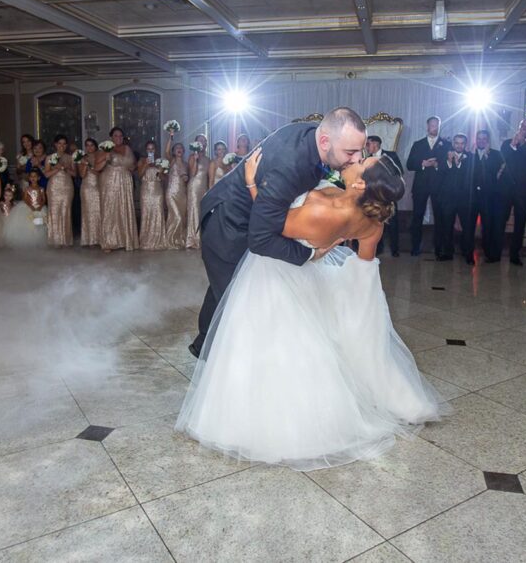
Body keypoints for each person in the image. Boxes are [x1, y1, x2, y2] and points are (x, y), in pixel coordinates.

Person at [176, 151, 441, 470]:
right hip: (311, 273)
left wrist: (250, 183)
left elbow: (269, 223)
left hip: (277, 272)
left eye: (363, 163)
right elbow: (364, 268)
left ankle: (266, 421)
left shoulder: (322, 209)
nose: (357, 160)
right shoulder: (372, 221)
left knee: (264, 341)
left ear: (359, 183)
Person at [189, 107, 367, 359]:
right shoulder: (291, 165)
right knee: (238, 301)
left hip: (246, 216)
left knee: (224, 286)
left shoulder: (313, 138)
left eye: (360, 151)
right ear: (325, 141)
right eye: (350, 152)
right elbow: (261, 239)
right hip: (227, 225)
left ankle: (203, 345)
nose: (357, 158)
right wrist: (310, 254)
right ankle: (229, 366)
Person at [406, 116, 450, 256]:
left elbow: (450, 167)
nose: (434, 127)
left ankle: (438, 247)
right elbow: (409, 164)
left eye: (437, 125)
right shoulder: (418, 144)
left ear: (440, 126)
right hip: (421, 186)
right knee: (417, 216)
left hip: (440, 187)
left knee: (440, 217)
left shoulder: (446, 144)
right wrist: (422, 164)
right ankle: (415, 247)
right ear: (427, 126)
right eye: (432, 125)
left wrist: (437, 165)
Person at [499, 118, 526, 265]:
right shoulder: (507, 143)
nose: (525, 128)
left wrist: (522, 143)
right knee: (500, 219)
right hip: (506, 188)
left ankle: (514, 253)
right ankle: (496, 250)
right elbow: (503, 157)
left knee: (520, 222)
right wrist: (513, 144)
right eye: (523, 125)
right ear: (518, 126)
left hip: (524, 190)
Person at [435, 134, 476, 264]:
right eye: (457, 143)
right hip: (448, 198)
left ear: (466, 144)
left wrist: (458, 164)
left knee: (468, 228)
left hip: (465, 199)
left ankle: (468, 254)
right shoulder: (444, 156)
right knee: (447, 227)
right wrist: (449, 162)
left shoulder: (471, 158)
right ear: (453, 143)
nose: (459, 145)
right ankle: (448, 252)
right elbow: (439, 173)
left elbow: (472, 176)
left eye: (462, 143)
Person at [98, 127, 138, 252]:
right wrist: (105, 157)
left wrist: (131, 166)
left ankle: (125, 240)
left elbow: (133, 166)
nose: (119, 138)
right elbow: (96, 167)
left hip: (125, 181)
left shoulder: (127, 149)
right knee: (110, 208)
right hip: (109, 181)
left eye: (121, 136)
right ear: (111, 137)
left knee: (124, 208)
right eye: (116, 135)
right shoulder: (105, 148)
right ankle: (109, 242)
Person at [365, 135, 404, 257]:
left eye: (368, 144)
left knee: (393, 221)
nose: (366, 147)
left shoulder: (390, 155)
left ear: (375, 144)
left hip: (388, 193)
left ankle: (395, 249)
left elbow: (399, 171)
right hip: (374, 195)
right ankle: (378, 248)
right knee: (376, 221)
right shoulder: (366, 158)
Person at [472, 130, 505, 263]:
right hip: (473, 196)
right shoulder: (470, 154)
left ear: (488, 140)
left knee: (489, 225)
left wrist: (486, 157)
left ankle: (490, 253)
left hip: (490, 196)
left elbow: (497, 173)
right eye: (479, 138)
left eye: (484, 139)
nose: (481, 141)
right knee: (469, 225)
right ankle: (467, 251)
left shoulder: (496, 154)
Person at [44, 135, 75, 248]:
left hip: (67, 186)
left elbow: (75, 174)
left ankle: (65, 239)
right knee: (54, 211)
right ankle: (54, 239)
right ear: (55, 144)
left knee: (65, 211)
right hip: (53, 187)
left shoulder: (70, 157)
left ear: (66, 145)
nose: (61, 146)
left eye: (64, 144)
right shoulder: (49, 158)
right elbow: (46, 174)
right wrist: (57, 168)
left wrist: (65, 168)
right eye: (59, 143)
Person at [138, 139, 169, 250]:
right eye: (148, 149)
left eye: (152, 149)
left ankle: (159, 240)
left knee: (157, 213)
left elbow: (164, 179)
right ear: (146, 150)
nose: (150, 151)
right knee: (146, 214)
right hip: (145, 190)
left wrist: (160, 171)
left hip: (157, 191)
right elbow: (140, 175)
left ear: (155, 150)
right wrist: (146, 165)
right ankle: (146, 240)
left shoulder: (161, 161)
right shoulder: (142, 161)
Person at [4, 171, 48, 249]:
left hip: (39, 208)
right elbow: (25, 199)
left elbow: (43, 199)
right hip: (29, 207)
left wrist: (40, 206)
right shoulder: (27, 188)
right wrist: (31, 206)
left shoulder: (41, 188)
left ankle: (37, 241)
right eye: (31, 176)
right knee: (29, 225)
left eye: (35, 176)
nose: (33, 178)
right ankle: (29, 241)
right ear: (29, 178)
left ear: (38, 178)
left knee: (39, 225)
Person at [186, 134, 211, 249]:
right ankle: (193, 239)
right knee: (194, 211)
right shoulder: (192, 157)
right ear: (196, 143)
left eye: (204, 141)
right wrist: (195, 160)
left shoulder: (208, 159)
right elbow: (192, 174)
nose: (203, 143)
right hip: (194, 187)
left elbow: (209, 177)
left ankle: (202, 237)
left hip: (204, 187)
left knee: (202, 211)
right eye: (200, 141)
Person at [164, 139, 188, 250]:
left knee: (181, 218)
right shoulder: (172, 160)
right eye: (177, 148)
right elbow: (166, 151)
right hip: (171, 193)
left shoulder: (186, 164)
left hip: (182, 194)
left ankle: (180, 240)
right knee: (176, 217)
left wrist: (186, 178)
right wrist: (171, 136)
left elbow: (188, 179)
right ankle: (170, 240)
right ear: (174, 151)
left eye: (181, 148)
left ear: (183, 151)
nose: (179, 149)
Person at [78, 138, 102, 248]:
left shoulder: (99, 156)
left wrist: (90, 166)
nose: (89, 147)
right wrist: (85, 165)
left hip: (98, 186)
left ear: (95, 146)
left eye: (91, 145)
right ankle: (90, 239)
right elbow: (82, 175)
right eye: (87, 145)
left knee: (99, 212)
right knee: (88, 212)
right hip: (87, 187)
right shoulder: (82, 158)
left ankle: (100, 238)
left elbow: (100, 173)